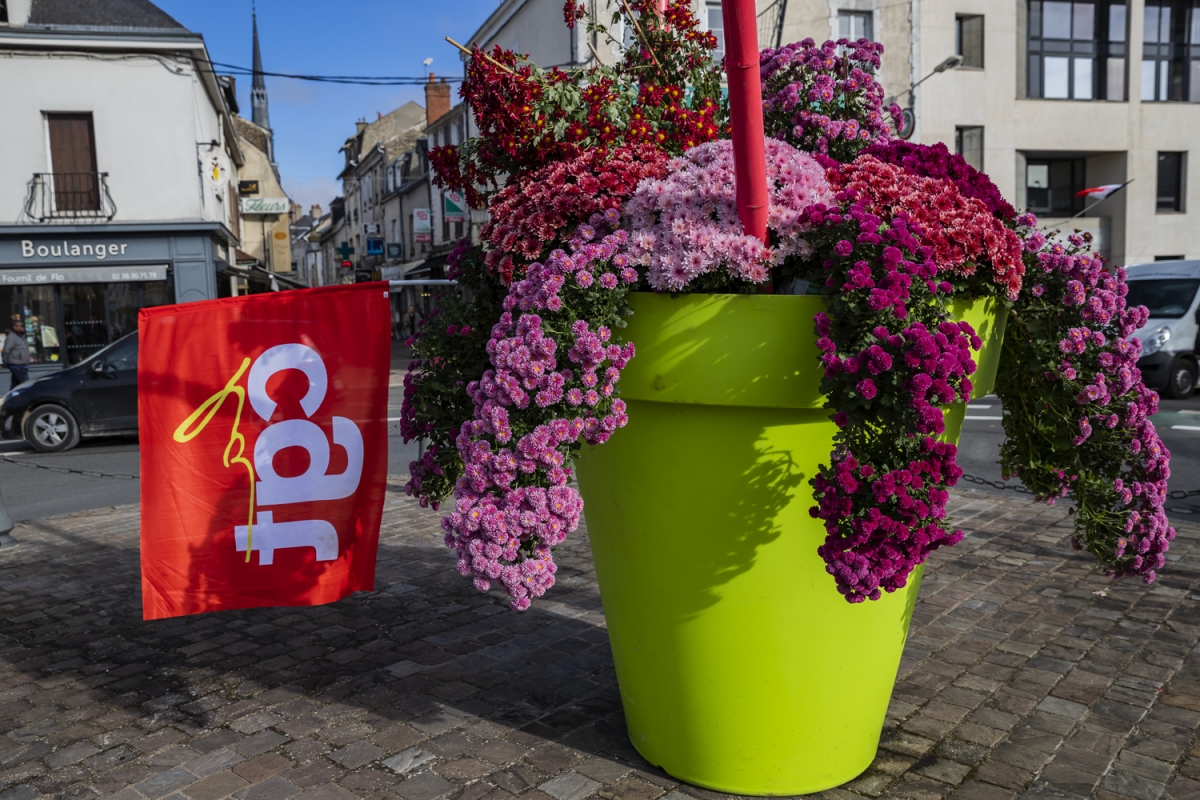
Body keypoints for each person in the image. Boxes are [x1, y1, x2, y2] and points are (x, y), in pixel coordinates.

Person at [2, 315, 30, 388]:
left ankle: (11, 398)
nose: (22, 327)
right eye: (20, 326)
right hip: (16, 365)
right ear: (14, 327)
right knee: (26, 385)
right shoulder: (12, 337)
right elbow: (6, 350)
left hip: (22, 365)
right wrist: (4, 362)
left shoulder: (21, 337)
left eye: (23, 325)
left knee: (15, 386)